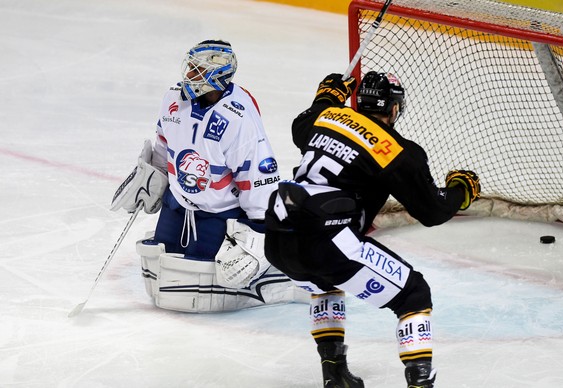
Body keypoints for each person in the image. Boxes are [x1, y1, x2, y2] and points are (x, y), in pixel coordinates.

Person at [264, 71, 481, 387]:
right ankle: (421, 385)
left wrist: (328, 96)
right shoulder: (395, 149)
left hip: (279, 239)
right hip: (329, 243)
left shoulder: (326, 117)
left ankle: (335, 374)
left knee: (326, 284)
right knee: (414, 295)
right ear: (394, 109)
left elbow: (302, 128)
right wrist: (460, 190)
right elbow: (432, 211)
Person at [110, 39, 306, 313]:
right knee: (157, 269)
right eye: (189, 67)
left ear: (217, 76)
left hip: (221, 214)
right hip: (177, 202)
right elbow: (164, 145)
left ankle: (280, 275)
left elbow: (255, 176)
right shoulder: (172, 101)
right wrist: (152, 176)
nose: (188, 75)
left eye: (196, 70)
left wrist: (260, 236)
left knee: (205, 284)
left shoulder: (238, 118)